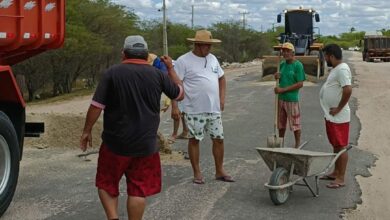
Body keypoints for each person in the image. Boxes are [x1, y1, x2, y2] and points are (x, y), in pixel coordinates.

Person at [79, 35, 184, 220]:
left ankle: (113, 218)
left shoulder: (112, 73)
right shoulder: (158, 75)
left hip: (115, 144)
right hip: (146, 146)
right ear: (146, 55)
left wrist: (86, 130)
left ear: (123, 54)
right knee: (138, 190)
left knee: (106, 183)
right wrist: (170, 68)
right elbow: (180, 93)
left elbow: (96, 106)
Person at [172, 29, 234, 184]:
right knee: (194, 140)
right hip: (193, 108)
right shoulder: (183, 61)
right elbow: (174, 85)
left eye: (210, 46)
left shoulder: (212, 59)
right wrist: (175, 107)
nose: (209, 49)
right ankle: (197, 173)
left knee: (219, 139)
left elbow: (221, 78)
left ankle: (219, 171)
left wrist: (222, 98)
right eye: (207, 45)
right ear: (197, 45)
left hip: (213, 109)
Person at [319, 44, 352, 189]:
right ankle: (335, 172)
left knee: (341, 146)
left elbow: (348, 89)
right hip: (332, 116)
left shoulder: (343, 69)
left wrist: (339, 108)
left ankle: (340, 178)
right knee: (335, 145)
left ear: (331, 56)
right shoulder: (336, 69)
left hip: (339, 117)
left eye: (326, 56)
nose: (325, 59)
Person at [274, 42, 306, 148]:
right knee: (281, 124)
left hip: (291, 99)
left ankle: (297, 144)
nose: (285, 53)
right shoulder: (282, 64)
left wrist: (283, 90)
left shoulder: (298, 65)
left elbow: (300, 83)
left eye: (288, 51)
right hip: (281, 99)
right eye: (284, 51)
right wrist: (276, 76)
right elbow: (280, 79)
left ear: (293, 53)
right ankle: (280, 142)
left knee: (295, 124)